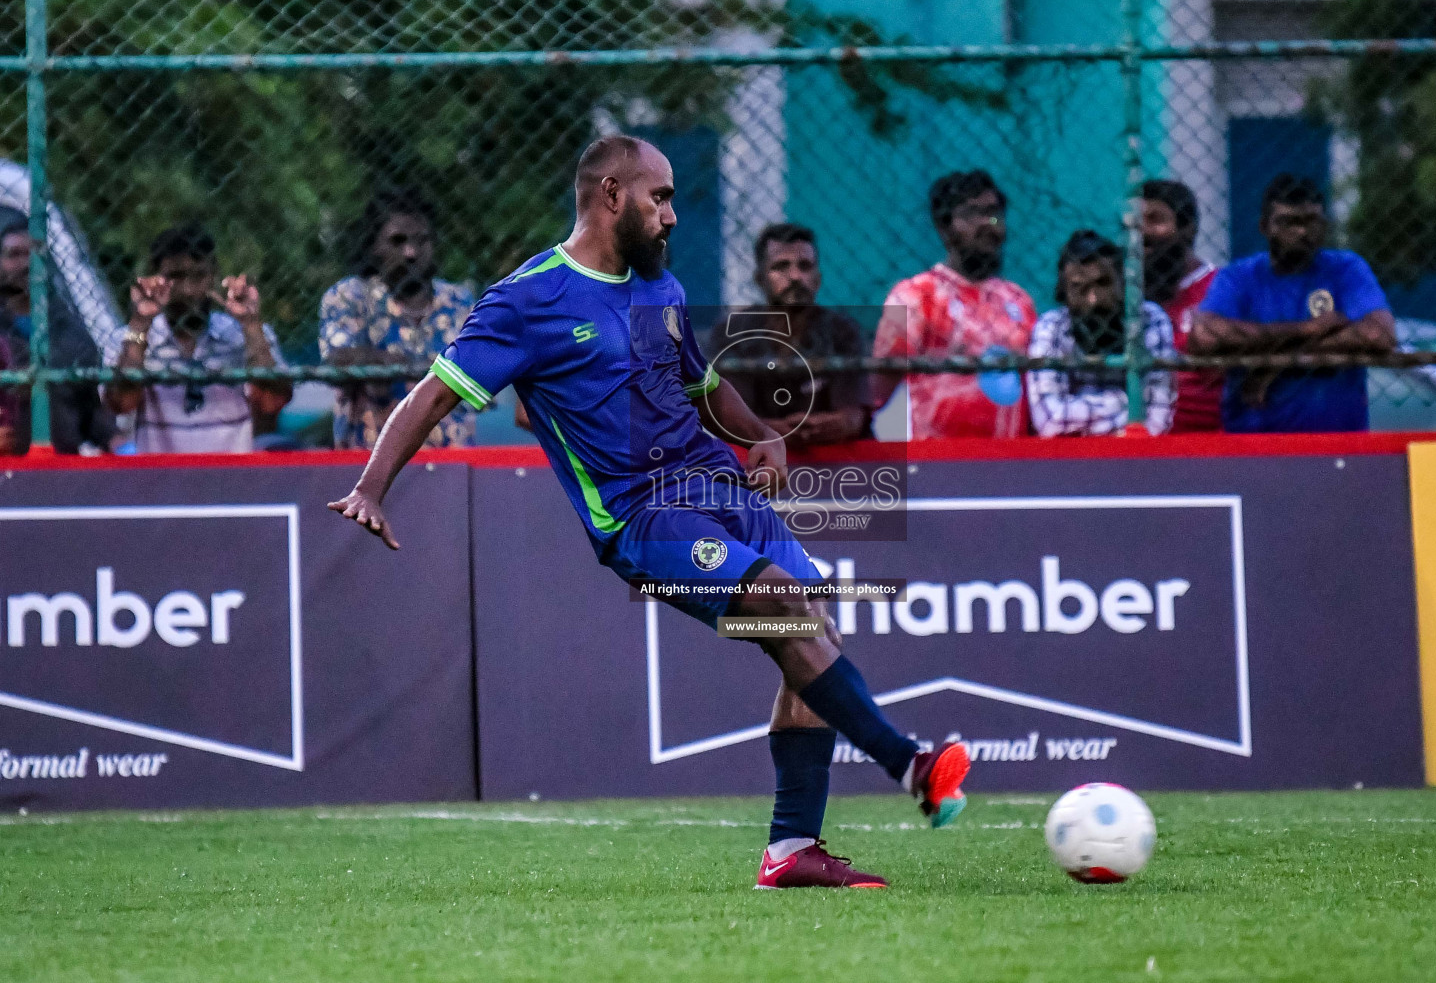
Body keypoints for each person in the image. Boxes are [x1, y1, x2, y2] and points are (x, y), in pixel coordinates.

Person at [329, 136, 971, 890]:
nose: (670, 216)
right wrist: (372, 487)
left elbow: (699, 384)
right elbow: (432, 393)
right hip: (642, 517)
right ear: (610, 195)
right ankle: (908, 762)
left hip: (721, 489)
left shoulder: (657, 287)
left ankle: (793, 850)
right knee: (782, 604)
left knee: (813, 624)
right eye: (659, 198)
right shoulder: (526, 299)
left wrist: (761, 434)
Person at [1189, 174, 1396, 433]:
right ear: (1265, 226)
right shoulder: (1239, 277)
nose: (1301, 232)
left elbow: (1379, 334)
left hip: (1339, 445)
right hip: (1253, 443)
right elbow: (1205, 336)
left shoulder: (1345, 269)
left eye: (1312, 221)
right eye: (1289, 222)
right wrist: (1308, 329)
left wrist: (1277, 361)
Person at [869, 170, 1037, 439]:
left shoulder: (1019, 300)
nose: (986, 224)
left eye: (994, 213)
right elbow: (878, 388)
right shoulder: (916, 295)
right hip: (940, 461)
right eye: (971, 215)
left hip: (1013, 461)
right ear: (944, 227)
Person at [103, 223, 292, 453]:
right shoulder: (131, 338)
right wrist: (141, 322)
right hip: (159, 478)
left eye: (199, 275)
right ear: (156, 277)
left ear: (213, 275)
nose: (189, 290)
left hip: (231, 477)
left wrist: (250, 324)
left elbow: (272, 402)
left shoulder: (241, 334)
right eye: (176, 277)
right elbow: (120, 404)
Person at [319, 189, 478, 449]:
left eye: (422, 240)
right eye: (397, 241)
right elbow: (338, 359)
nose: (411, 252)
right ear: (373, 247)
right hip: (371, 462)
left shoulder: (459, 302)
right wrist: (396, 363)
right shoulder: (351, 297)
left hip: (452, 463)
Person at [705, 223, 869, 449]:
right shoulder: (732, 332)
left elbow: (854, 416)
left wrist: (840, 423)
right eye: (781, 266)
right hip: (753, 462)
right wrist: (768, 430)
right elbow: (726, 417)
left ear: (818, 279)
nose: (795, 276)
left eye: (805, 266)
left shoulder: (843, 331)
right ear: (760, 279)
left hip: (832, 460)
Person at [1026, 230, 1176, 437]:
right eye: (1079, 288)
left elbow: (1158, 423)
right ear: (1064, 293)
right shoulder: (1051, 327)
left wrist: (1078, 418)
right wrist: (1128, 402)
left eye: (1103, 284)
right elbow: (1049, 422)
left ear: (1121, 284)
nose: (1093, 300)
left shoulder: (1149, 319)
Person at [0, 209, 114, 454]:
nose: (25, 264)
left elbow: (91, 416)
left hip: (59, 468)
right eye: (14, 255)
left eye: (33, 254)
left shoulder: (70, 331)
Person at [1142, 180, 1222, 433]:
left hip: (1210, 439)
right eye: (1133, 222)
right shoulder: (1126, 292)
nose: (1142, 232)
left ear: (1188, 228)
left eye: (1155, 220)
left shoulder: (1219, 287)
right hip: (1139, 438)